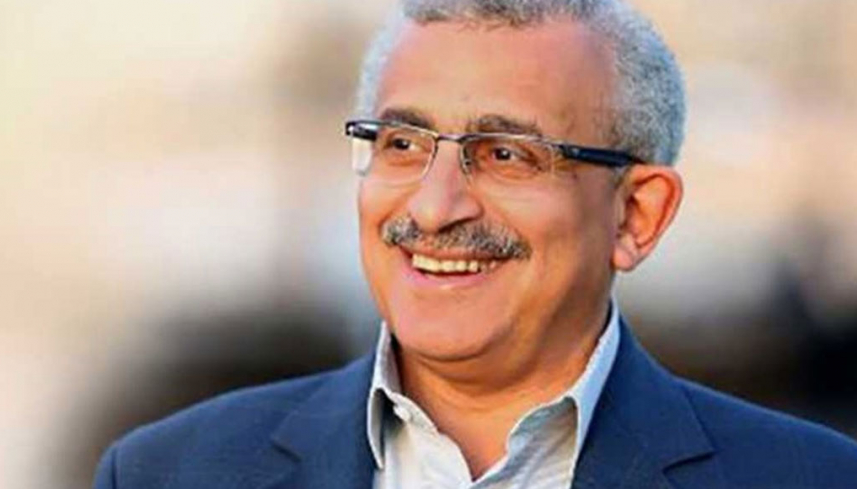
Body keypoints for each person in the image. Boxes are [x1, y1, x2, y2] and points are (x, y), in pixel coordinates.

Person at [93, 0, 857, 487]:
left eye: (506, 154)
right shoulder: (170, 471)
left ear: (636, 215)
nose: (434, 207)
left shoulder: (810, 478)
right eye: (401, 143)